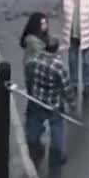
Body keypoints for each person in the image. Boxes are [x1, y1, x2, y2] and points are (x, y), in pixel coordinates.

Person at [24, 37, 69, 167]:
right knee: (57, 129)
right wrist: (71, 101)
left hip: (37, 100)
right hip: (54, 104)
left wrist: (31, 93)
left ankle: (34, 148)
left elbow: (29, 78)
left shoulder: (35, 60)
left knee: (34, 125)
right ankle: (55, 157)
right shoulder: (58, 66)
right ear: (56, 49)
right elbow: (66, 86)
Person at [20, 12, 50, 85]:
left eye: (46, 22)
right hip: (34, 70)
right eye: (42, 23)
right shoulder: (33, 40)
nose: (45, 25)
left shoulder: (41, 36)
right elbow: (41, 54)